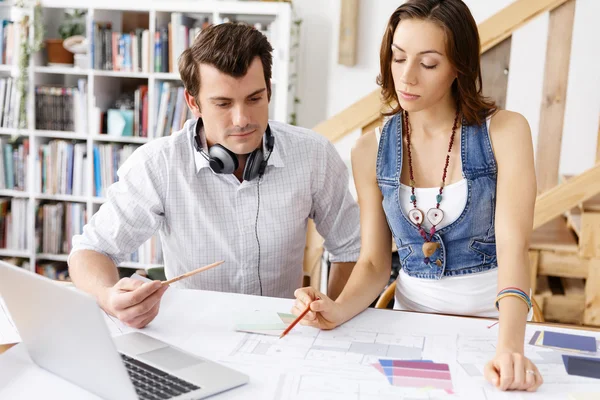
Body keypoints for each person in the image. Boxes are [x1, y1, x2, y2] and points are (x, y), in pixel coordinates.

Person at [292, 0, 542, 393]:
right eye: (398, 58)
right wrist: (336, 309)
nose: (406, 77)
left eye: (428, 64)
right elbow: (375, 262)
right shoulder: (369, 149)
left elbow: (514, 247)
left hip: (492, 325)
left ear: (458, 66)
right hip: (409, 324)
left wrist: (509, 347)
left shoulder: (506, 133)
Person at [68, 23, 360, 329]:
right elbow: (91, 251)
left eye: (254, 99)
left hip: (281, 333)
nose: (242, 119)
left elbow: (351, 248)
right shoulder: (159, 165)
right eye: (222, 104)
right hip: (193, 333)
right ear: (194, 103)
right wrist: (107, 296)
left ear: (269, 91)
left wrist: (334, 316)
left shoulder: (313, 155)